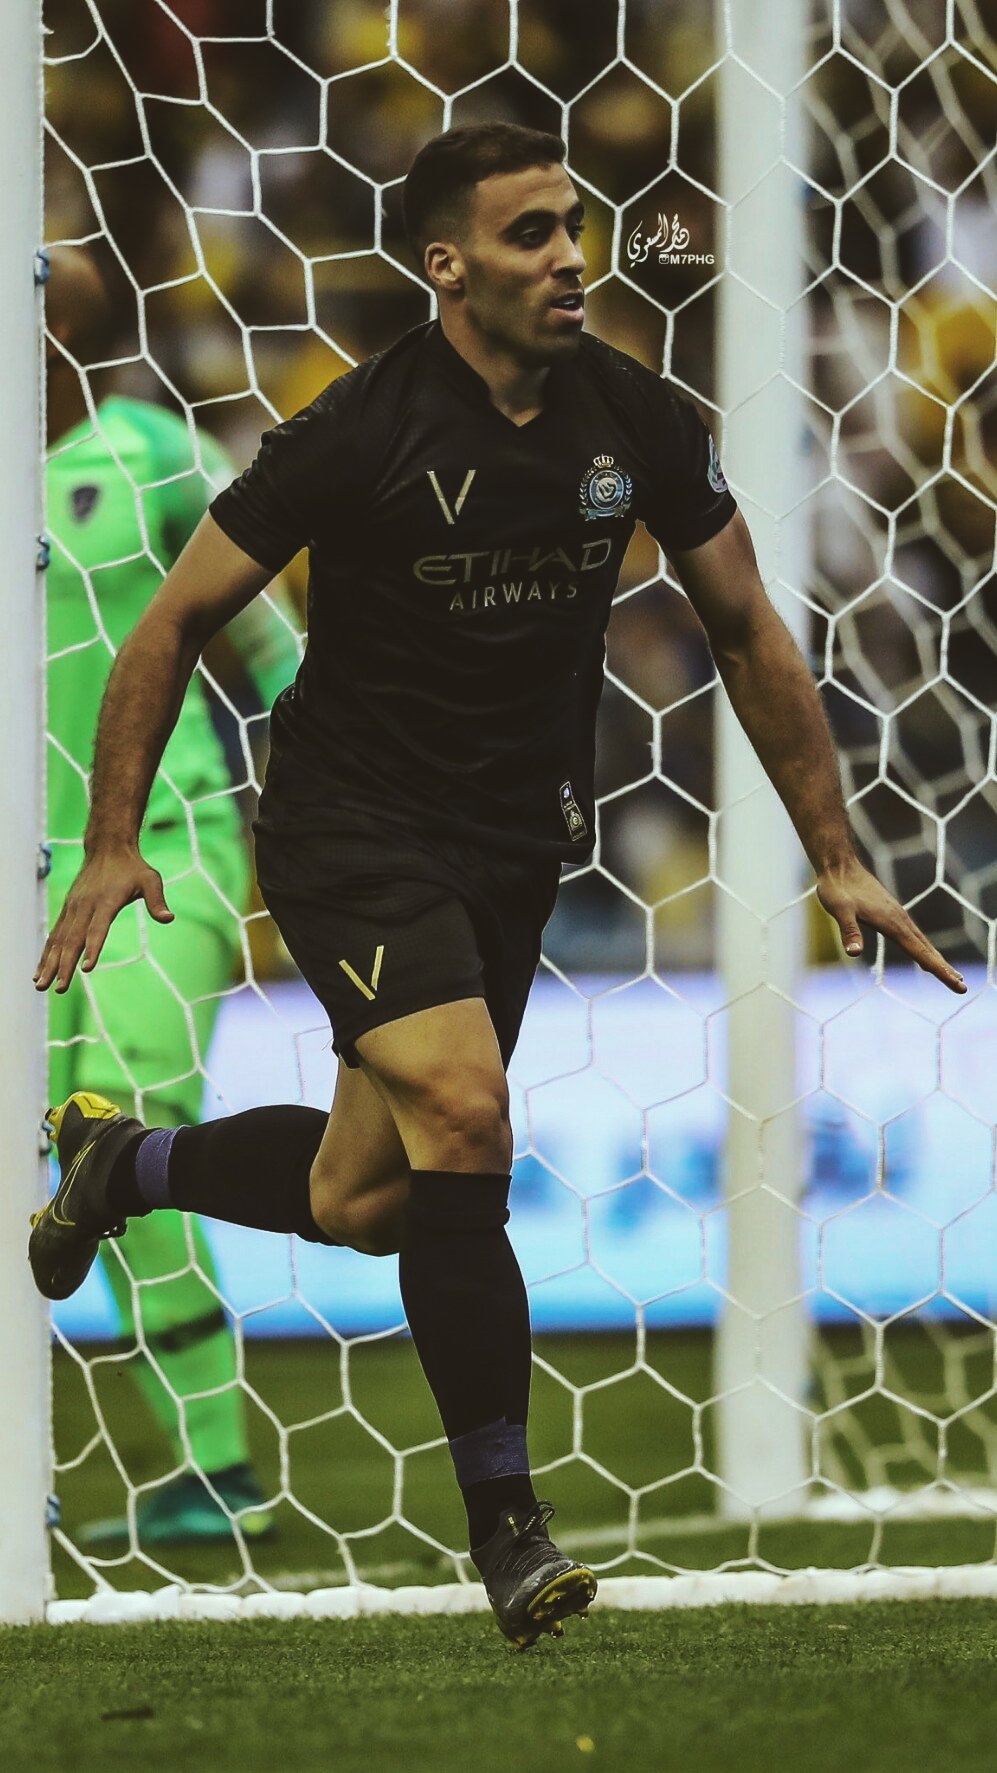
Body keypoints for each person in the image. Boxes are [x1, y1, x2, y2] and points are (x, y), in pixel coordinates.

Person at [31, 125, 966, 1646]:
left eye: (574, 226)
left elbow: (745, 626)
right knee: (467, 1113)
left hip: (514, 841)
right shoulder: (357, 428)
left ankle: (120, 1166)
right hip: (348, 829)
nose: (571, 257)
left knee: (366, 1195)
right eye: (532, 233)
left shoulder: (635, 417)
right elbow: (172, 622)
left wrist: (839, 854)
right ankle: (510, 1531)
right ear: (446, 265)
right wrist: (115, 834)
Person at [43, 248, 300, 1548]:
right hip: (25, 870)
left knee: (116, 1129)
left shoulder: (151, 452)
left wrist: (332, 802)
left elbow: (269, 647)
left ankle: (218, 1467)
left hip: (162, 844)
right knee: (57, 1160)